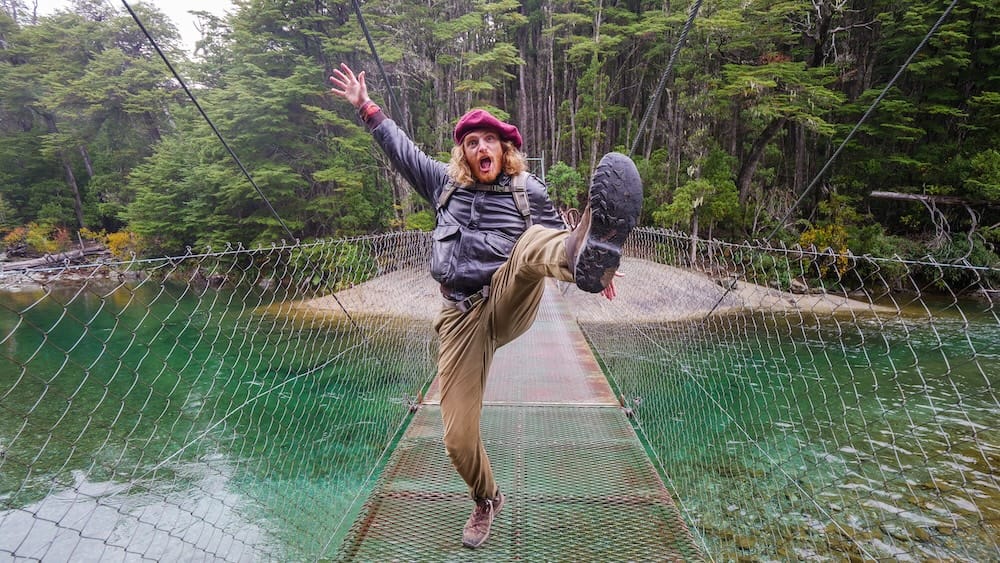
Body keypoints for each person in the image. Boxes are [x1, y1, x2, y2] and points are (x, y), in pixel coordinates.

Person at [329, 63, 642, 549]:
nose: (481, 149)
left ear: (505, 149)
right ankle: (486, 497)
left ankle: (585, 259)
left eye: (489, 141)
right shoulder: (442, 186)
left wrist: (592, 263)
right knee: (456, 437)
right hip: (459, 317)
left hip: (507, 299)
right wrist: (366, 107)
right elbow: (401, 150)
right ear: (463, 153)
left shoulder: (527, 191)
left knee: (531, 246)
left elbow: (553, 234)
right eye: (471, 142)